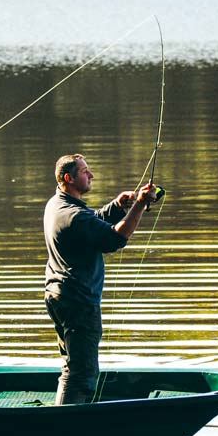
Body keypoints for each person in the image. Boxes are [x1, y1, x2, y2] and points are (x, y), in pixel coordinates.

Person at [43, 154, 161, 404]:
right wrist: (140, 204)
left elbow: (90, 224)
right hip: (78, 302)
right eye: (85, 171)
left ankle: (63, 422)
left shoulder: (58, 205)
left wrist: (117, 206)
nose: (91, 175)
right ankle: (65, 430)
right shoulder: (73, 214)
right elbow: (113, 239)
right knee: (81, 374)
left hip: (59, 295)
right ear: (69, 178)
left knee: (72, 367)